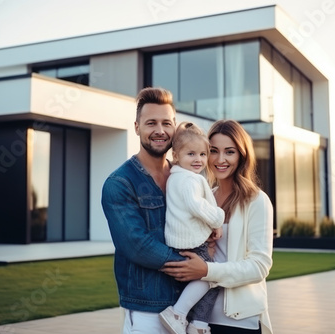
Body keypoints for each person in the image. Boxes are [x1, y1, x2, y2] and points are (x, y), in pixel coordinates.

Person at [161, 119, 274, 334]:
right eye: (213, 151)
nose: (220, 159)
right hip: (198, 321)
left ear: (241, 155)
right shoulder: (205, 197)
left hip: (239, 321)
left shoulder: (257, 201)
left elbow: (259, 266)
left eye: (229, 152)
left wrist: (207, 270)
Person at [101, 87, 186, 333]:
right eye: (151, 123)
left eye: (166, 123)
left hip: (187, 306)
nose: (160, 131)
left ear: (175, 127)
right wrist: (193, 267)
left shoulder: (185, 176)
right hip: (147, 308)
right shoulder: (119, 183)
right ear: (137, 127)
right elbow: (137, 245)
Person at [159, 122, 225, 334]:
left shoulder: (176, 176)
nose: (198, 160)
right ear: (176, 155)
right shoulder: (190, 180)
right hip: (192, 241)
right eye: (191, 154)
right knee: (213, 276)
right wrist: (217, 219)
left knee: (209, 282)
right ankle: (178, 313)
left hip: (181, 239)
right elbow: (197, 206)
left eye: (203, 154)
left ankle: (198, 325)